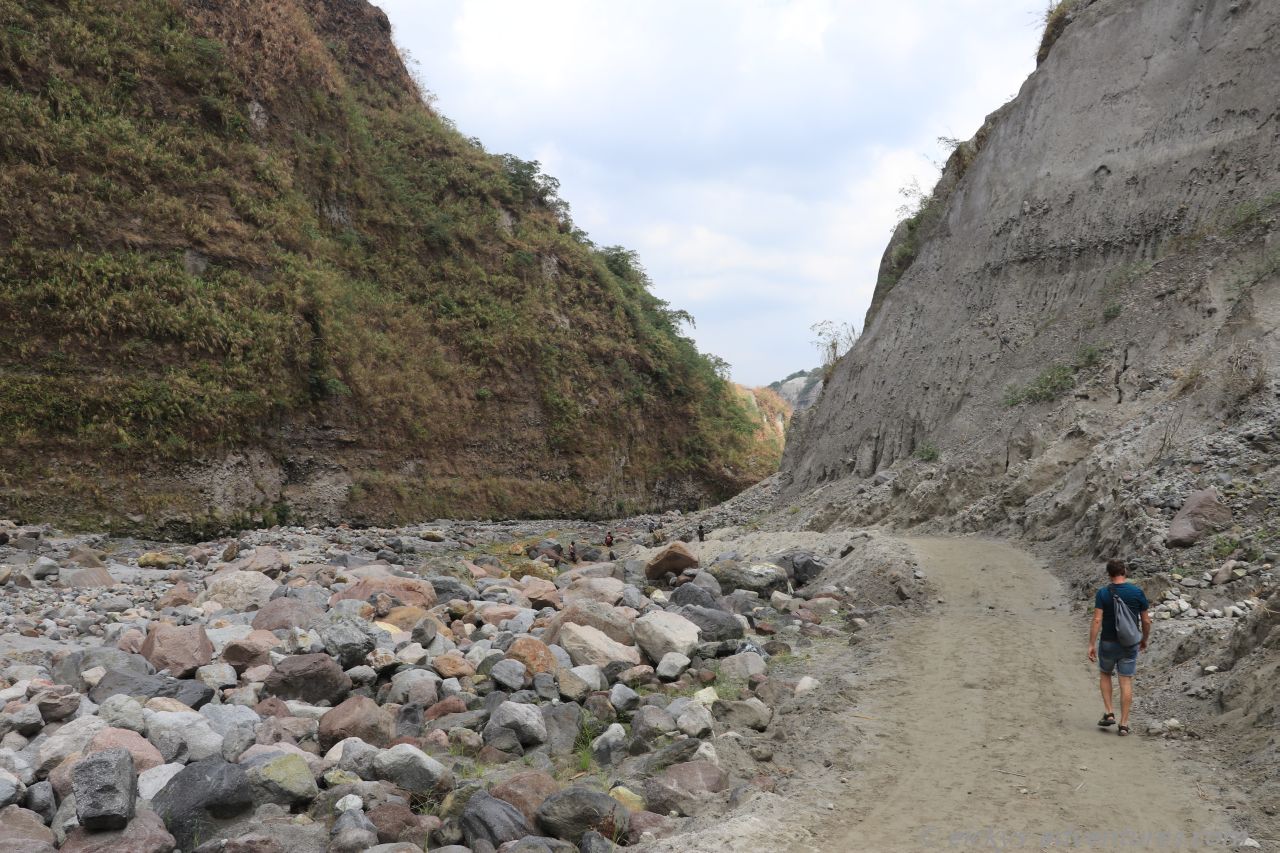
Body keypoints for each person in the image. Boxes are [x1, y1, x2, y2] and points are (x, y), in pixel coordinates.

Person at [1088, 558, 1151, 736]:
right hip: (1130, 644)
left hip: (1108, 642)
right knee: (1125, 680)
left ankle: (1109, 713)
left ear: (1109, 574)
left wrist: (1091, 644)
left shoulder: (1102, 593)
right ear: (1125, 571)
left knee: (1105, 674)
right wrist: (1144, 639)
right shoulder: (1137, 592)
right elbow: (1146, 620)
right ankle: (1124, 724)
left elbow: (1097, 619)